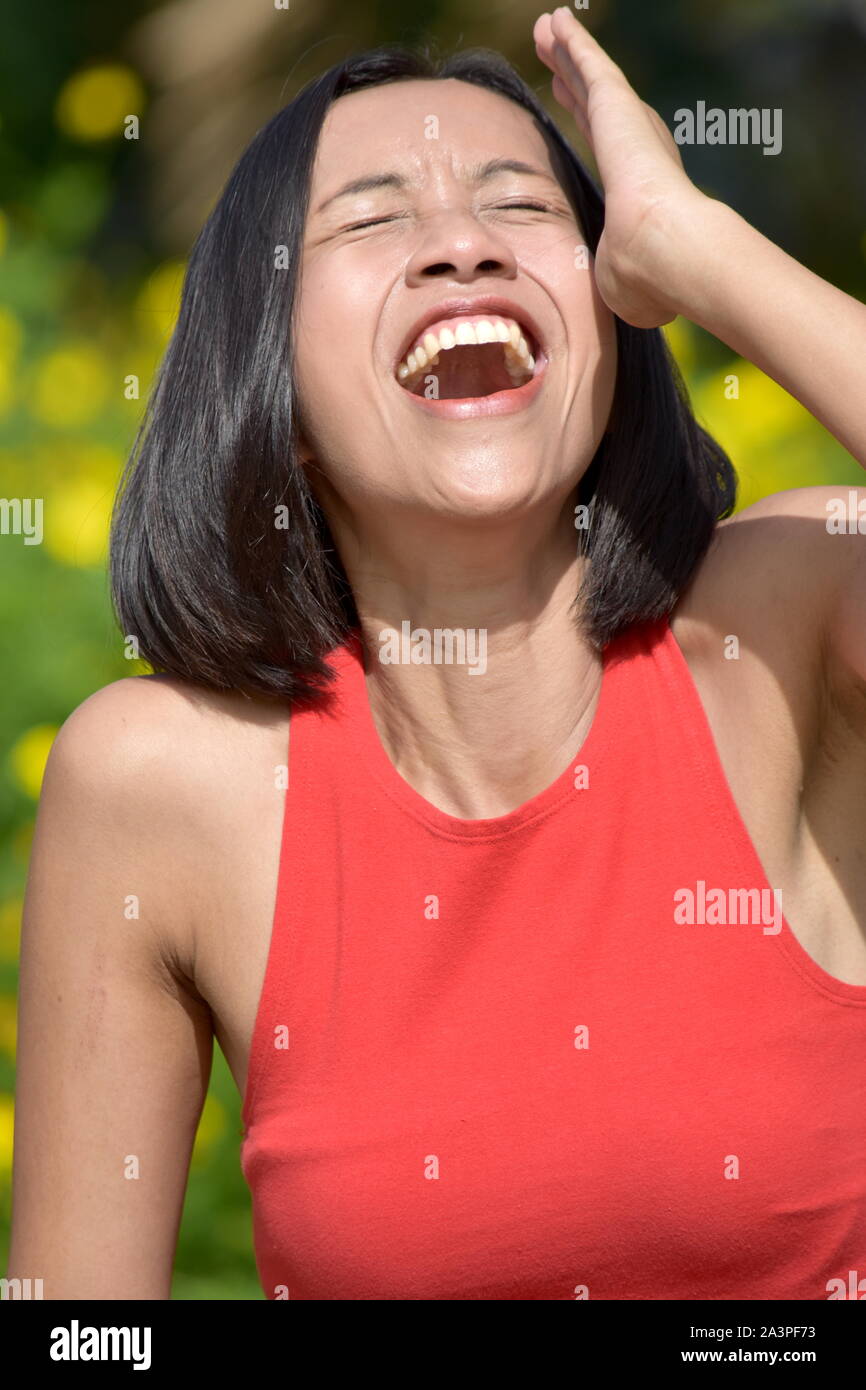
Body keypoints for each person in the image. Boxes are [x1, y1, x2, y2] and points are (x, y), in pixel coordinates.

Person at [8, 8, 866, 1300]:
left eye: (522, 208)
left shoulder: (782, 616)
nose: (459, 244)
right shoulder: (166, 785)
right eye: (370, 218)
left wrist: (695, 245)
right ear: (272, 390)